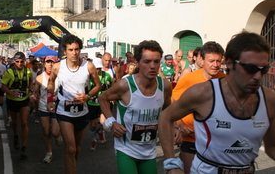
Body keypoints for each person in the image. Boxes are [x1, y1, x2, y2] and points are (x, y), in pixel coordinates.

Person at [159, 31, 275, 174]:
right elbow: (166, 116)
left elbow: (272, 148)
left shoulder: (269, 99)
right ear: (230, 63)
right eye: (250, 69)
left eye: (263, 69)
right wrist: (172, 164)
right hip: (200, 159)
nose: (258, 76)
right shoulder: (202, 93)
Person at [99, 40, 181, 174]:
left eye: (156, 61)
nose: (153, 66)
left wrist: (175, 127)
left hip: (149, 151)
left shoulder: (164, 86)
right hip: (126, 149)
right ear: (137, 63)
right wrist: (111, 122)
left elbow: (167, 113)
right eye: (147, 62)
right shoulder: (125, 86)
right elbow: (102, 98)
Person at [47, 34, 102, 174]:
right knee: (70, 148)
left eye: (76, 49)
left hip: (82, 112)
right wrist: (49, 100)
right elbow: (51, 81)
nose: (74, 53)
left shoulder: (88, 66)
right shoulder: (58, 66)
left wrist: (88, 96)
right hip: (64, 112)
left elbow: (98, 85)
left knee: (77, 148)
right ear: (65, 51)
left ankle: (72, 167)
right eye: (70, 50)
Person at [171, 41, 226, 173]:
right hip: (191, 137)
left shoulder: (225, 80)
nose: (215, 65)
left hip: (215, 139)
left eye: (218, 61)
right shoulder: (189, 79)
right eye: (211, 60)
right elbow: (173, 101)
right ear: (201, 59)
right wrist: (179, 124)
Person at [1, 52, 33, 159]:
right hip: (12, 100)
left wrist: (30, 90)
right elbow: (3, 86)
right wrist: (11, 93)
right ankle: (15, 135)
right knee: (15, 122)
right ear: (14, 62)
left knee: (24, 122)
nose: (19, 63)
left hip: (23, 99)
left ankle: (24, 148)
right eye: (17, 61)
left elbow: (31, 81)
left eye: (22, 61)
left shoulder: (28, 71)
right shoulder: (9, 72)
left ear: (25, 62)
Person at [33, 55, 63, 163]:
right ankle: (48, 153)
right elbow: (35, 90)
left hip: (57, 106)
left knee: (54, 132)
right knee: (46, 131)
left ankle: (58, 135)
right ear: (45, 64)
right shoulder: (40, 77)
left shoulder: (61, 76)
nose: (50, 65)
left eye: (52, 62)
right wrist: (34, 95)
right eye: (48, 62)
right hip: (43, 106)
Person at [88, 57, 113, 150]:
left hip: (103, 102)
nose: (97, 70)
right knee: (93, 124)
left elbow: (112, 85)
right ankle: (94, 140)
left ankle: (101, 132)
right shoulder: (89, 76)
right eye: (96, 68)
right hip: (92, 103)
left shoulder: (107, 75)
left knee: (103, 122)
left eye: (99, 68)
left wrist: (111, 97)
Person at [30, 59, 42, 124]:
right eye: (36, 64)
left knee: (37, 103)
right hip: (31, 89)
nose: (37, 66)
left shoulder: (40, 72)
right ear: (33, 65)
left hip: (38, 90)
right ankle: (31, 109)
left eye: (38, 64)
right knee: (32, 103)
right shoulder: (29, 71)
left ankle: (36, 117)